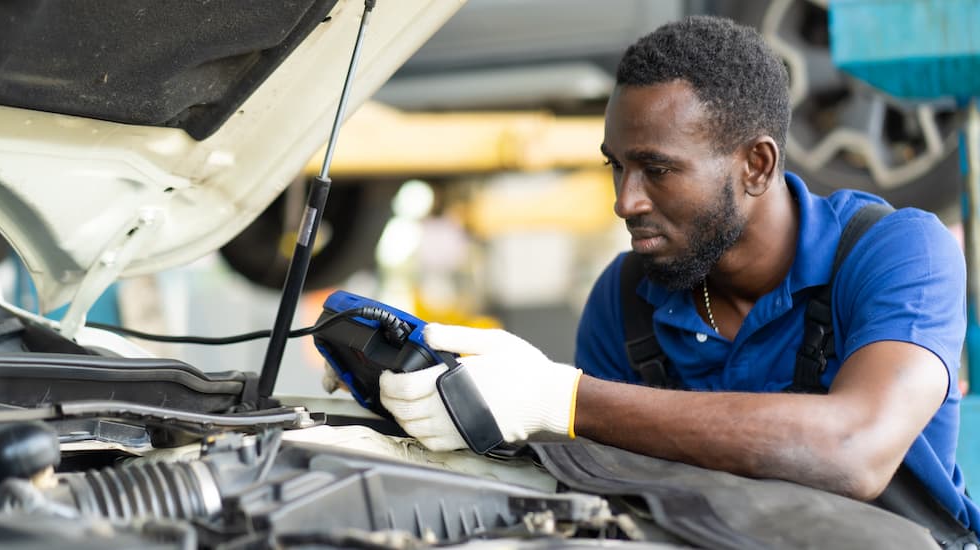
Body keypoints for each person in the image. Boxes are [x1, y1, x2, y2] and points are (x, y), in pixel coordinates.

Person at [374, 15, 979, 538]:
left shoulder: (898, 253)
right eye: (617, 168)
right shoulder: (625, 298)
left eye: (656, 169)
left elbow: (855, 450)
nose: (625, 201)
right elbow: (603, 497)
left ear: (756, 165)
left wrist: (558, 397)